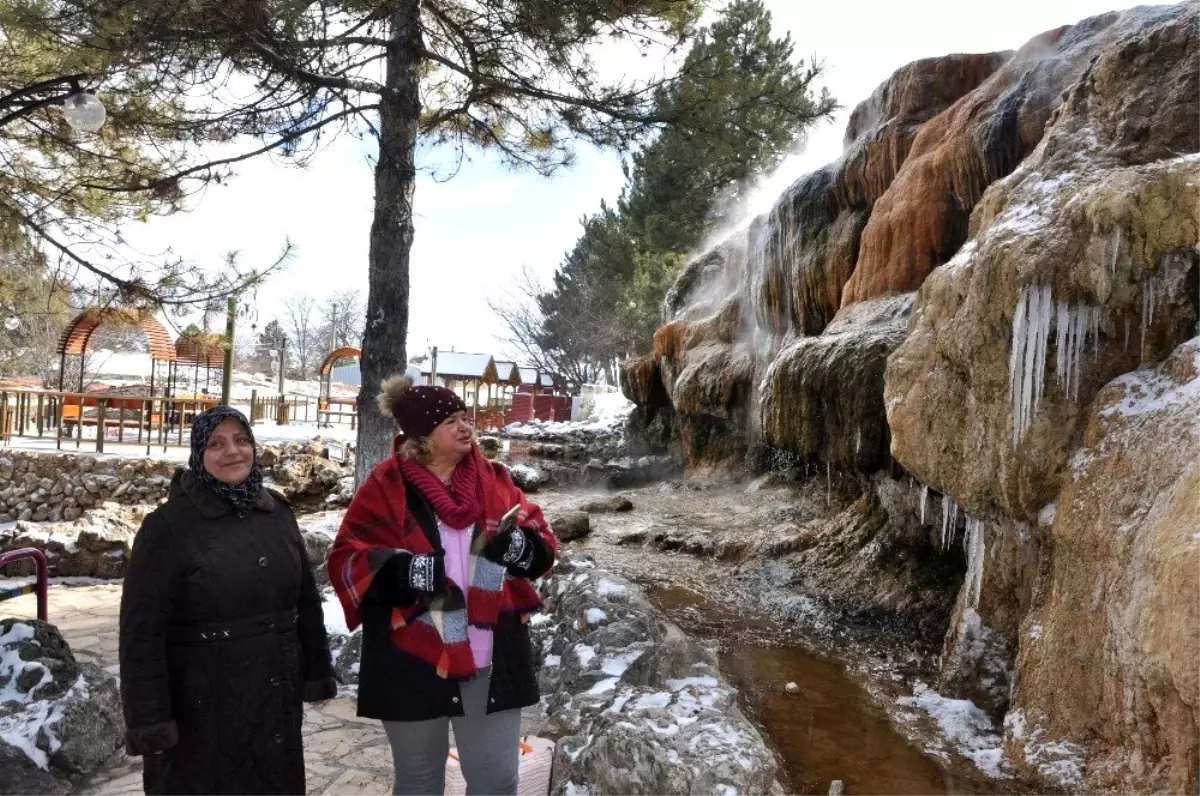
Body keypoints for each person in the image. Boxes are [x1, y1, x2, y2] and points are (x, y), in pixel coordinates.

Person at [329, 375, 557, 796]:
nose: (465, 427)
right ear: (420, 436)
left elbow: (543, 547)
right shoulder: (384, 486)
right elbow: (345, 561)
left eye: (465, 417)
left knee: (496, 784)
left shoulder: (495, 479)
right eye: (450, 420)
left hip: (489, 658)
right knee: (418, 783)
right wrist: (408, 573)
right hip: (411, 659)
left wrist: (521, 546)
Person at [119, 406, 337, 796]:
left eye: (241, 440)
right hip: (201, 706)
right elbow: (141, 634)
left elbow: (305, 601)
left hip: (275, 698)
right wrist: (150, 721)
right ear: (198, 454)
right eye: (217, 444)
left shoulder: (277, 513)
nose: (232, 452)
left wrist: (315, 672)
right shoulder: (167, 527)